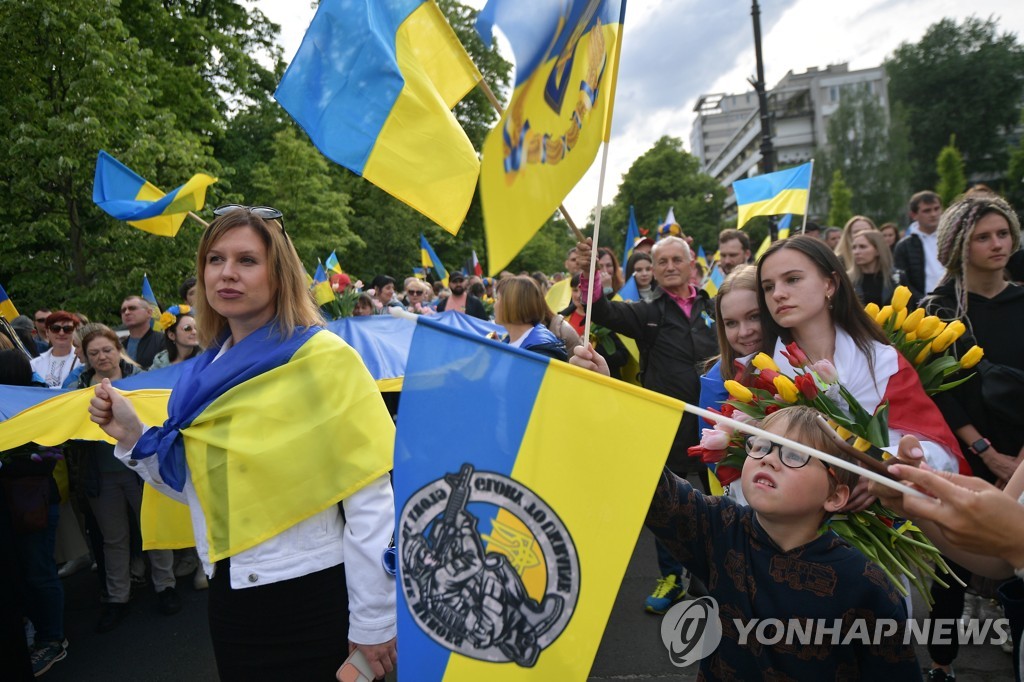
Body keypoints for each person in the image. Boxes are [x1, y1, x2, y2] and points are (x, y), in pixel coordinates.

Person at [87, 205, 396, 680]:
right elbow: (206, 492)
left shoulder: (326, 358)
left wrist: (374, 619)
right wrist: (132, 437)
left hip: (312, 595)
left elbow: (370, 497)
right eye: (215, 260)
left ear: (279, 274)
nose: (226, 273)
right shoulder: (201, 372)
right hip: (231, 597)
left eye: (247, 260)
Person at [648, 405, 920, 678]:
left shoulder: (864, 583)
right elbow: (650, 481)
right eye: (761, 446)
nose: (768, 459)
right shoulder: (720, 528)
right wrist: (607, 395)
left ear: (835, 496)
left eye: (794, 455)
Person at [754, 235, 968, 514]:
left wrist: (881, 469)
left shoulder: (883, 361)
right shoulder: (762, 374)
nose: (777, 294)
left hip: (895, 522)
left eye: (792, 279)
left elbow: (940, 451)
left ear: (830, 284)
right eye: (768, 287)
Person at [577, 235, 718, 613]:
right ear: (652, 271)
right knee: (667, 504)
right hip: (666, 426)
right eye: (662, 262)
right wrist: (591, 284)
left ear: (693, 265)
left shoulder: (715, 307)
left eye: (677, 259)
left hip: (716, 424)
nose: (670, 266)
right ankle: (670, 577)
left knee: (718, 503)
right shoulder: (646, 311)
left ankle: (713, 574)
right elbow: (603, 312)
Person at [920, 194, 1024, 681]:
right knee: (950, 568)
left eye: (1002, 233)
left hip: (1022, 454)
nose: (996, 244)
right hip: (962, 454)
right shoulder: (936, 311)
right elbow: (935, 391)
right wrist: (983, 449)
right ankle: (942, 663)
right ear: (959, 245)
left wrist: (1018, 461)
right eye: (983, 236)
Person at [71, 326, 181, 632]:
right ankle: (117, 598)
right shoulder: (75, 388)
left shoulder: (142, 380)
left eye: (107, 350)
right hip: (100, 475)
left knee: (154, 530)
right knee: (113, 538)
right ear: (86, 357)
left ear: (117, 348)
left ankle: (165, 586)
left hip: (142, 469)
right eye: (94, 353)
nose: (102, 357)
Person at [0, 349, 67, 676]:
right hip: (15, 503)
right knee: (20, 571)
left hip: (33, 501)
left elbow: (50, 454)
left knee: (39, 569)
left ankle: (52, 638)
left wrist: (6, 462)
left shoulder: (36, 400)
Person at [697, 265, 761, 449]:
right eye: (731, 323)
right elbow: (714, 457)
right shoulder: (715, 380)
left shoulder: (804, 361)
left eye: (754, 316)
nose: (744, 332)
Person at [494, 276, 568, 361]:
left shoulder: (540, 353)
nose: (494, 305)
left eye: (497, 299)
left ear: (511, 305)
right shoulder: (510, 340)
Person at [894, 190, 945, 304]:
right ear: (914, 215)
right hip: (922, 304)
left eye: (936, 209)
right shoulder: (904, 246)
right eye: (927, 210)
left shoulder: (953, 238)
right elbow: (903, 281)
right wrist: (922, 301)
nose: (933, 214)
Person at [848, 230, 904, 306]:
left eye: (862, 247)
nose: (856, 252)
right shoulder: (847, 280)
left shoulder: (897, 278)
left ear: (878, 250)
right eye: (854, 247)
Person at [29, 311, 82, 389]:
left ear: (75, 332)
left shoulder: (82, 362)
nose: (61, 333)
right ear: (47, 332)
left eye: (67, 329)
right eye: (55, 329)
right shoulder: (34, 364)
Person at [119, 295, 162, 369]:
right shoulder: (119, 347)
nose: (126, 312)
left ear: (149, 312)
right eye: (123, 310)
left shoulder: (163, 341)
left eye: (132, 308)